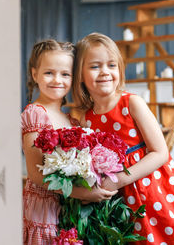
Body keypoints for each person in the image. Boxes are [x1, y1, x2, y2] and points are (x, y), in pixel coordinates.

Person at [73, 33, 174, 244]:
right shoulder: (86, 117)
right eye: (95, 67)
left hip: (147, 188)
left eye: (111, 65)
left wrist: (122, 178)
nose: (104, 72)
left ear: (119, 69)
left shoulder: (131, 103)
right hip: (117, 198)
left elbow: (160, 153)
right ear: (80, 75)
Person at [21, 39, 117, 245]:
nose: (57, 80)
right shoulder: (35, 114)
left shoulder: (71, 120)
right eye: (49, 73)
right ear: (34, 73)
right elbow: (35, 174)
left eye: (65, 74)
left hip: (68, 206)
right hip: (44, 208)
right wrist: (83, 193)